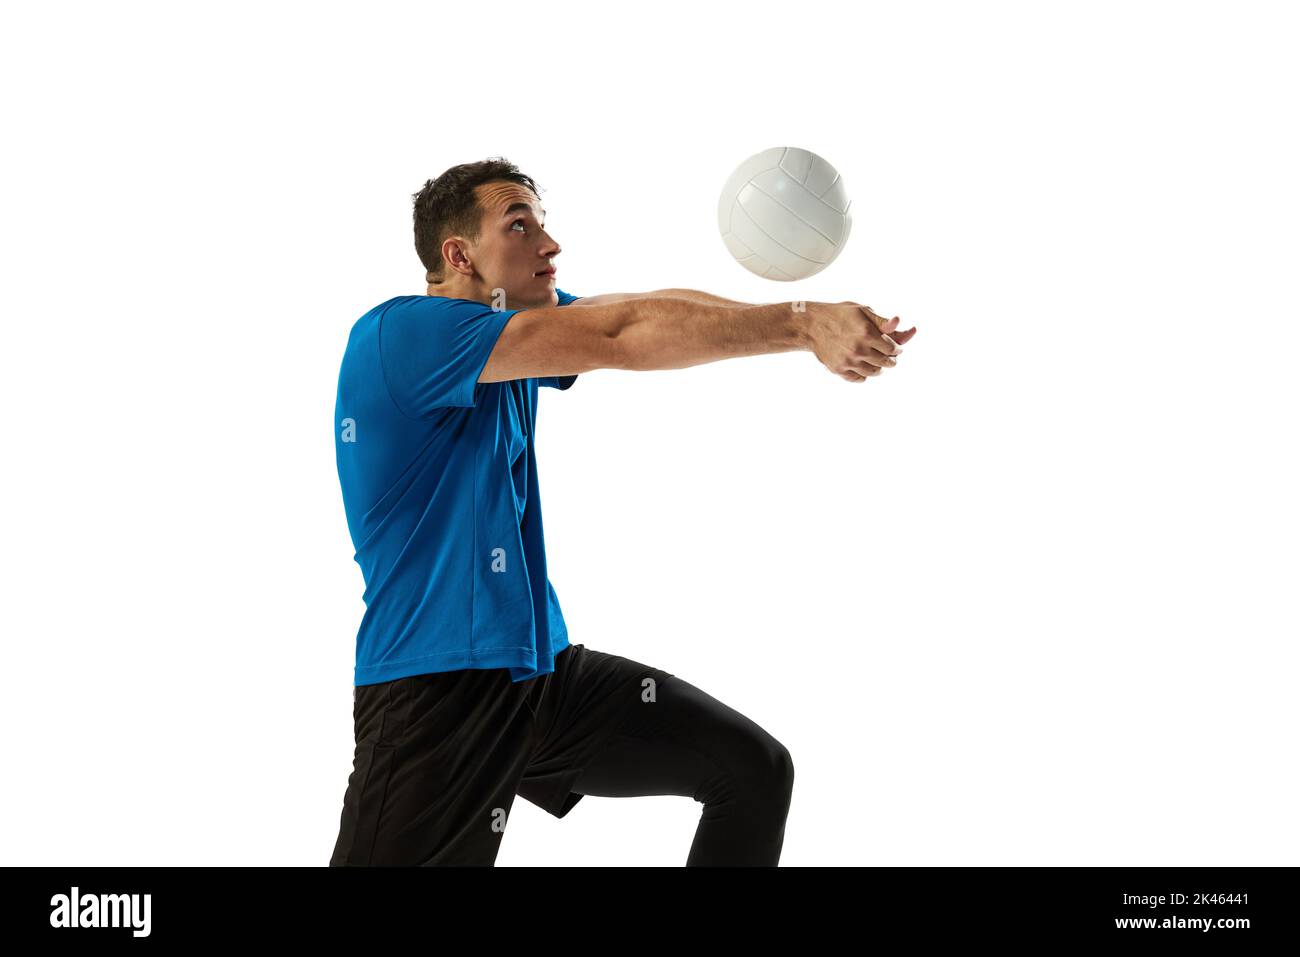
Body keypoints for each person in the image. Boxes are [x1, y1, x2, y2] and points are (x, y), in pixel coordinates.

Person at [329, 157, 916, 867]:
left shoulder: (510, 339)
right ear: (458, 256)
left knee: (751, 769)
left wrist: (808, 321)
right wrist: (801, 324)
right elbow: (617, 334)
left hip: (537, 675)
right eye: (520, 225)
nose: (549, 244)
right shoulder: (406, 334)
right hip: (436, 688)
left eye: (543, 224)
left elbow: (642, 311)